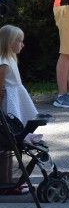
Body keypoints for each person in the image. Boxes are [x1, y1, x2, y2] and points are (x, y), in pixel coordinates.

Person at [0, 25, 38, 194]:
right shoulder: (4, 63)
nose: (22, 45)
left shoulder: (10, 59)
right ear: (9, 42)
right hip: (10, 104)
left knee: (11, 145)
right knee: (9, 144)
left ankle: (10, 181)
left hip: (15, 99)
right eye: (19, 41)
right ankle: (6, 182)